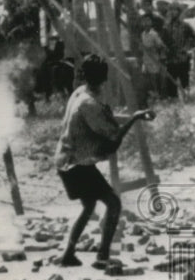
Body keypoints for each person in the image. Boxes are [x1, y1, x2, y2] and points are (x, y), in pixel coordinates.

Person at [54, 55, 155, 268]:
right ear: (105, 78)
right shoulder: (90, 103)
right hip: (76, 164)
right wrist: (135, 118)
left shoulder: (80, 93)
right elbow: (112, 138)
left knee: (89, 206)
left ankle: (69, 254)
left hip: (66, 159)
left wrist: (133, 116)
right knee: (113, 203)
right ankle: (102, 255)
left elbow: (104, 120)